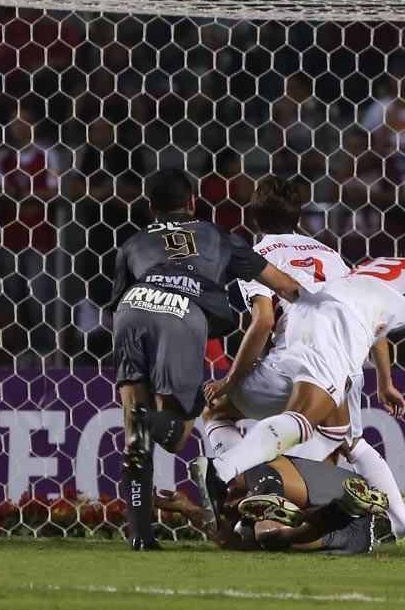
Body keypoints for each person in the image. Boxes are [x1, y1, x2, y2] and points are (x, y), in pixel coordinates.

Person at [201, 229, 405, 526]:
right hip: (342, 331)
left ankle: (402, 528)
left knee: (337, 435)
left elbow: (369, 318)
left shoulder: (379, 265)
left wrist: (385, 381)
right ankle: (224, 472)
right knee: (312, 424)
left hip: (308, 315)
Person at [199, 176, 405, 546]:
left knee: (216, 412)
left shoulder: (258, 257)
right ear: (298, 216)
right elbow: (370, 318)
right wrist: (385, 381)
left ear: (254, 216)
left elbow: (263, 321)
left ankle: (241, 479)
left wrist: (231, 379)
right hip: (342, 367)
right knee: (354, 443)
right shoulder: (330, 255)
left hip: (292, 364)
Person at [110, 167, 301, 551]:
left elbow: (118, 302)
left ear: (152, 208)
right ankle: (152, 422)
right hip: (182, 314)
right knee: (177, 434)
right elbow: (285, 285)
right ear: (193, 202)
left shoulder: (130, 244)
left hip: (130, 311)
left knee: (136, 438)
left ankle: (141, 537)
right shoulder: (217, 236)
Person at [154, 456, 389, 554]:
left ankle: (220, 472)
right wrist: (186, 508)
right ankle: (345, 508)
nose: (230, 492)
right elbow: (234, 545)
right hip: (346, 532)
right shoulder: (249, 519)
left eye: (228, 490)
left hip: (346, 485)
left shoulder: (263, 468)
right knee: (266, 535)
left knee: (262, 464)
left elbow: (258, 469)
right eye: (225, 500)